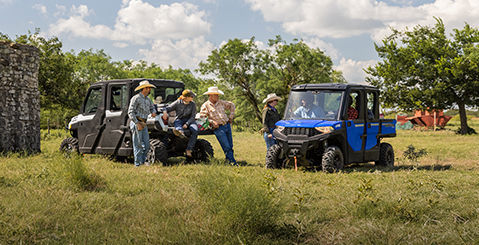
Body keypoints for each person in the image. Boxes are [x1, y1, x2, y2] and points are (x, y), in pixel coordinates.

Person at [200, 86, 237, 165]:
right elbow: (203, 118)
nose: (218, 96)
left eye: (217, 95)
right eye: (216, 95)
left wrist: (231, 117)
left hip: (226, 125)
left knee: (230, 145)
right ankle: (232, 162)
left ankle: (228, 161)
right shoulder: (205, 105)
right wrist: (212, 121)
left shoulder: (221, 102)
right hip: (218, 128)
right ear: (211, 95)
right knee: (226, 146)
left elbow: (232, 105)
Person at [128, 80, 157, 166]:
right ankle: (138, 164)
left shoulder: (148, 99)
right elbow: (130, 112)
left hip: (144, 123)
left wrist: (153, 112)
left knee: (147, 144)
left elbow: (152, 108)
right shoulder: (135, 98)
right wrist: (137, 123)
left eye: (149, 88)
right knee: (138, 144)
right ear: (143, 89)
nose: (149, 89)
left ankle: (143, 161)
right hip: (136, 122)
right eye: (148, 88)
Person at [162, 89, 197, 157]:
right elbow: (167, 108)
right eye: (192, 96)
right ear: (186, 97)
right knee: (178, 124)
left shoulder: (193, 104)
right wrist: (164, 112)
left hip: (190, 120)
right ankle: (180, 133)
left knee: (195, 130)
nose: (193, 98)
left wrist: (187, 124)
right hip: (179, 119)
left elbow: (193, 116)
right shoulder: (178, 102)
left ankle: (188, 149)